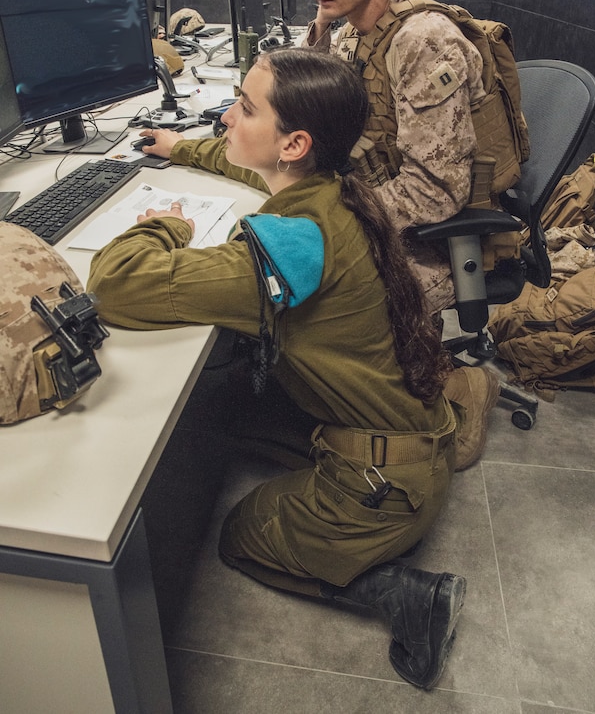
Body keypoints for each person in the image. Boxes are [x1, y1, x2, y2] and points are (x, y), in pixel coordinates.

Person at [88, 48, 467, 691]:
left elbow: (117, 285)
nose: (229, 119)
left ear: (294, 143)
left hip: (386, 485)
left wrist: (166, 229)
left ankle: (406, 594)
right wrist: (183, 149)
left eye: (244, 107)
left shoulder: (292, 246)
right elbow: (239, 152)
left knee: (241, 534)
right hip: (407, 432)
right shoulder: (331, 186)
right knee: (231, 401)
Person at [300, 0, 499, 455]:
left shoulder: (422, 41)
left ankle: (460, 384)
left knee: (323, 293)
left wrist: (337, 218)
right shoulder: (356, 32)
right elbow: (309, 95)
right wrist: (322, 16)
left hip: (430, 234)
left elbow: (438, 191)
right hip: (381, 206)